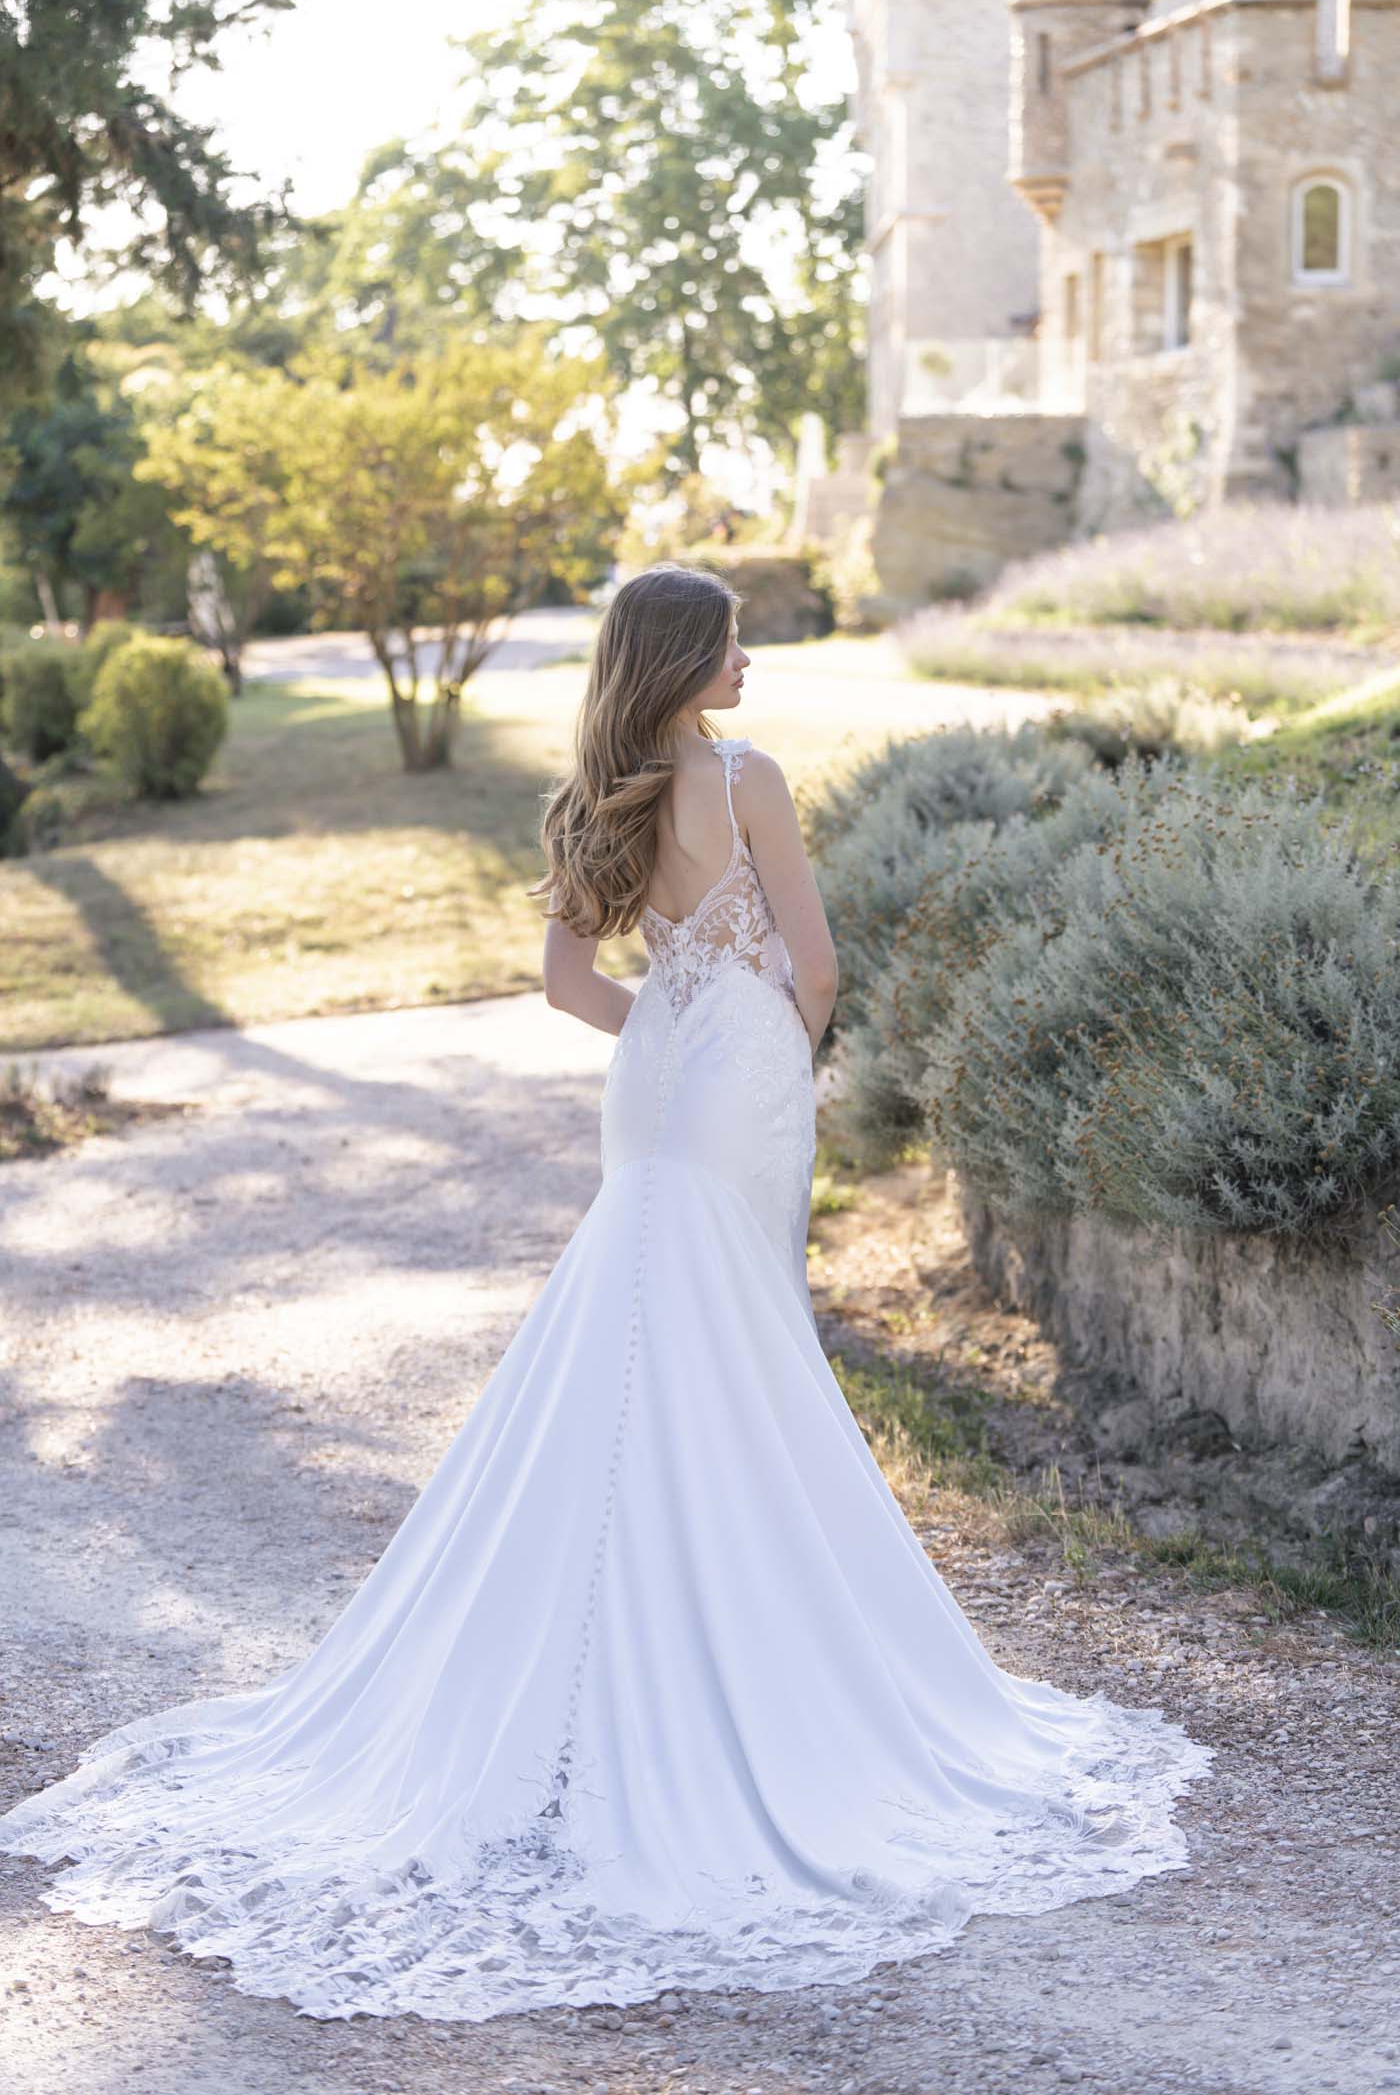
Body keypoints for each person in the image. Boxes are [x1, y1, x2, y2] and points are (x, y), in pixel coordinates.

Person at [0, 563, 1213, 2025]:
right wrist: (761, 1051)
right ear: (681, 657)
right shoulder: (749, 780)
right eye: (730, 643)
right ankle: (733, 1652)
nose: (748, 663)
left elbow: (571, 989)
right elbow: (821, 970)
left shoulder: (591, 795)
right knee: (738, 1347)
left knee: (641, 1337)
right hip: (745, 1074)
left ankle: (586, 1674)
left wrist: (679, 1027)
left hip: (652, 1083)